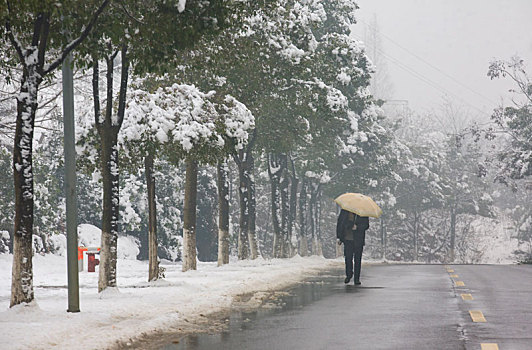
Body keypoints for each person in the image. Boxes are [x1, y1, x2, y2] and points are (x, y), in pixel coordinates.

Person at [336, 209, 369, 285]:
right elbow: (340, 223)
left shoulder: (362, 213)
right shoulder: (344, 211)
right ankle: (349, 274)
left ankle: (357, 278)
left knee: (357, 260)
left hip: (358, 240)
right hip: (347, 239)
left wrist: (357, 227)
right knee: (348, 258)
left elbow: (366, 225)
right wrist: (339, 237)